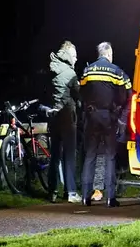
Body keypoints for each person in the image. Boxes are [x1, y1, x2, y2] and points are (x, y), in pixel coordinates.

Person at [79, 41, 131, 207]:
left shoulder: (88, 70)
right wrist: (118, 112)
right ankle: (110, 198)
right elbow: (125, 95)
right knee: (110, 156)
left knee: (90, 156)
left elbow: (82, 92)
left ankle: (85, 197)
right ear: (108, 54)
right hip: (108, 117)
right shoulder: (116, 72)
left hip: (91, 116)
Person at [46, 41, 82, 203]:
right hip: (68, 118)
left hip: (53, 118)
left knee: (54, 156)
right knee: (69, 156)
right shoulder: (71, 74)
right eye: (74, 55)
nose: (76, 58)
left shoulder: (50, 69)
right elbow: (79, 96)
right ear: (68, 55)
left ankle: (52, 191)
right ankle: (71, 192)